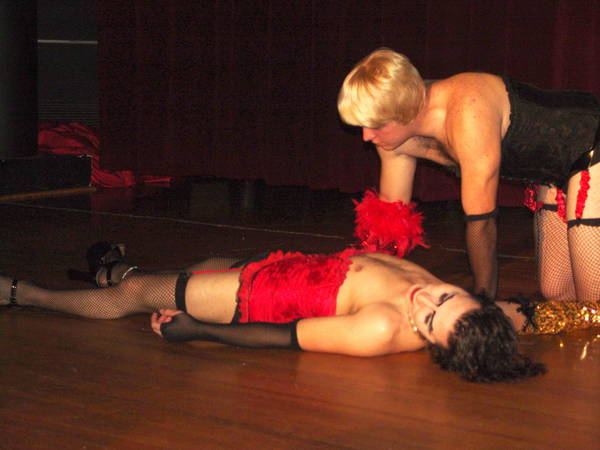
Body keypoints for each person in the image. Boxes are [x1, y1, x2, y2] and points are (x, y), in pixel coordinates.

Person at [1, 243, 545, 383]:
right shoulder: (471, 314)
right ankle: (112, 271)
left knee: (138, 295)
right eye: (445, 296)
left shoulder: (380, 328)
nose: (424, 299)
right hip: (290, 267)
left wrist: (199, 332)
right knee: (203, 263)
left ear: (429, 342)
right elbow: (517, 312)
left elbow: (285, 337)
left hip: (256, 298)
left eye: (428, 321)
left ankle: (23, 294)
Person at [338, 48, 600, 302]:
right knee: (556, 292)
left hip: (591, 141)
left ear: (405, 112)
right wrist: (362, 281)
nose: (366, 136)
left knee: (593, 304)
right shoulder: (391, 138)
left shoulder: (468, 112)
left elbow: (481, 223)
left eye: (375, 125)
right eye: (362, 125)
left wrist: (483, 301)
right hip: (553, 171)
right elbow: (389, 220)